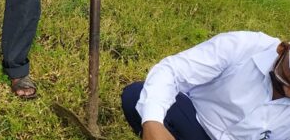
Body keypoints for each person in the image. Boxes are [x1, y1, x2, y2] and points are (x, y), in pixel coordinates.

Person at [121, 31, 290, 140]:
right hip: (194, 122)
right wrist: (153, 123)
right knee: (137, 95)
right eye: (285, 79)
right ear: (282, 49)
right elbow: (172, 71)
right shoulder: (246, 45)